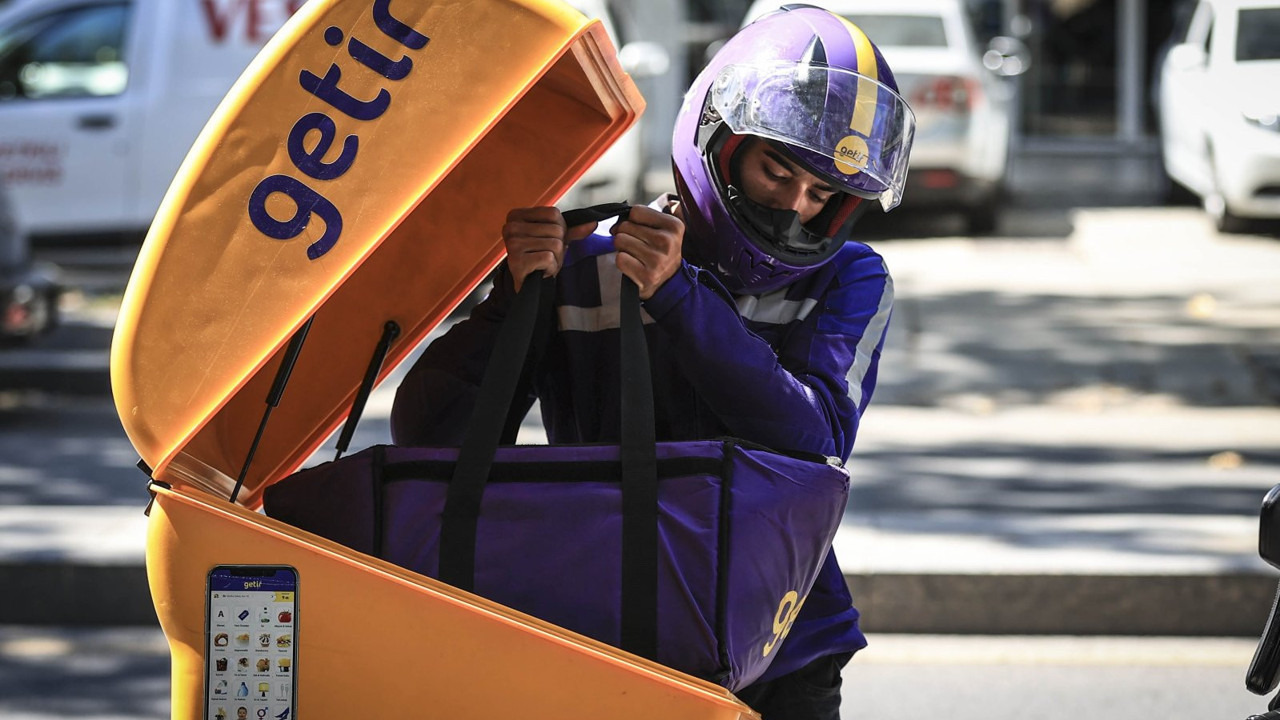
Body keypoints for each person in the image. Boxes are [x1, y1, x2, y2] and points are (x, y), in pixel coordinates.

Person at [390, 4, 914, 718]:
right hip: (614, 616)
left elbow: (811, 442)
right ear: (719, 142)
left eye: (822, 194)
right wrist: (507, 306)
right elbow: (433, 436)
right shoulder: (590, 259)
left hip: (783, 639)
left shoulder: (851, 277)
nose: (795, 208)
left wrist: (680, 299)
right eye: (777, 172)